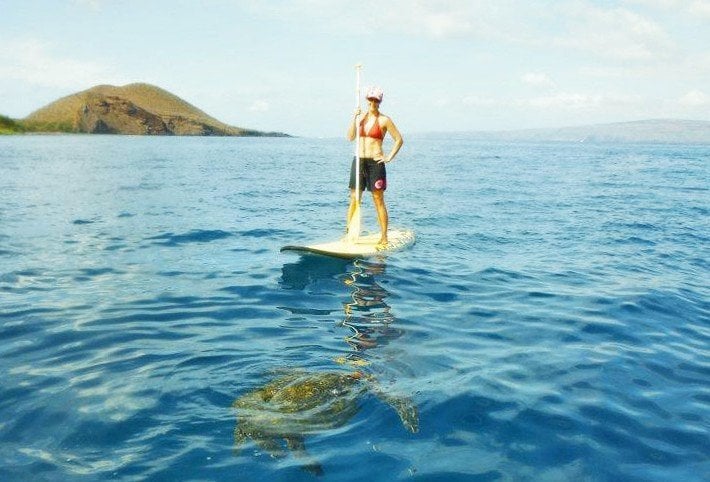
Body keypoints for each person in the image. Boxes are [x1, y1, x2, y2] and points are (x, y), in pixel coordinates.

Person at [346, 86, 403, 247]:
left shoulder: (385, 120)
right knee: (354, 199)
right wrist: (354, 118)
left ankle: (384, 237)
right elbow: (350, 137)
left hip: (375, 163)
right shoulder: (360, 118)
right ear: (366, 100)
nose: (373, 102)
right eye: (370, 99)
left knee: (378, 199)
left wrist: (389, 157)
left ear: (380, 102)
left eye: (376, 100)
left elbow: (399, 139)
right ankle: (349, 233)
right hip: (358, 161)